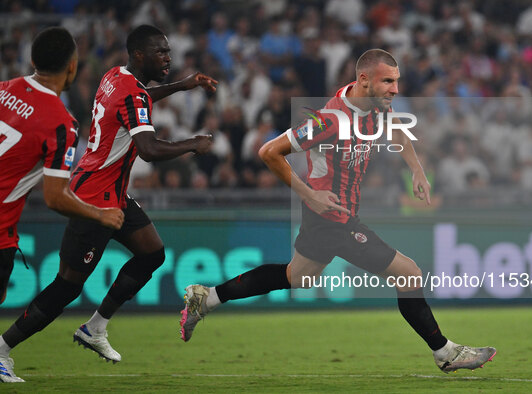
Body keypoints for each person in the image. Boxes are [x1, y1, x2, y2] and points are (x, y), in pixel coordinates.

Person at [180, 49, 496, 374]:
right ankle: (445, 352)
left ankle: (208, 298)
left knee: (297, 276)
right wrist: (310, 195)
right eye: (388, 81)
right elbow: (269, 151)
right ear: (363, 80)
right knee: (409, 273)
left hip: (330, 215)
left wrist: (416, 169)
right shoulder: (328, 121)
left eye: (396, 81)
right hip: (331, 216)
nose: (395, 89)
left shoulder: (374, 104)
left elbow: (397, 126)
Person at [0, 24, 216, 383]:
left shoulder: (115, 76)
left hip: (112, 192)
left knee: (152, 253)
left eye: (169, 51)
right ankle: (4, 349)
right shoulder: (128, 93)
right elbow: (148, 149)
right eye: (161, 52)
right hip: (93, 197)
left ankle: (95, 328)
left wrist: (182, 84)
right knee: (67, 286)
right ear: (139, 55)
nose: (168, 57)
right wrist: (192, 143)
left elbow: (140, 101)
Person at [0, 26, 125, 383]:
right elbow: (55, 197)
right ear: (72, 67)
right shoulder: (62, 123)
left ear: (32, 60)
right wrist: (100, 214)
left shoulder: (3, 90)